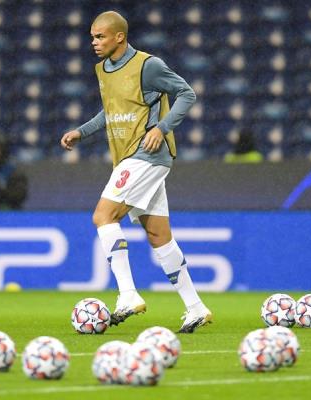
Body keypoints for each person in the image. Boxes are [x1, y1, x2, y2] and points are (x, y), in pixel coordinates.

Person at [60, 11, 212, 333]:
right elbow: (111, 110)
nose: (94, 42)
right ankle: (196, 307)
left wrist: (163, 127)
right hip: (127, 157)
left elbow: (187, 93)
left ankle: (127, 294)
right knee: (158, 235)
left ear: (119, 37)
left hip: (147, 154)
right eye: (92, 37)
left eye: (100, 36)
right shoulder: (102, 69)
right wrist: (82, 132)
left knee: (103, 216)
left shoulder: (148, 66)